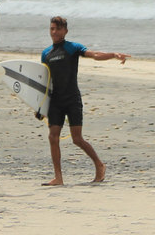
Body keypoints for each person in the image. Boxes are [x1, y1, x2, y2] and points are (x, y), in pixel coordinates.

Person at [41, 16, 131, 186]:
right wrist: (39, 104)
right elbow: (43, 81)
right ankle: (58, 177)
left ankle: (99, 164)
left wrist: (113, 54)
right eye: (52, 28)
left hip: (72, 99)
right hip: (55, 101)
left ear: (65, 31)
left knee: (77, 139)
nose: (54, 32)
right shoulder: (46, 53)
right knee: (53, 137)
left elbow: (94, 55)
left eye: (58, 29)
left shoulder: (72, 48)